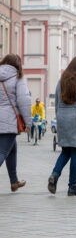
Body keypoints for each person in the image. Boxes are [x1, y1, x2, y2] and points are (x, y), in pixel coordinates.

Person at [48, 56, 76, 196]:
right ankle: (72, 187)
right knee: (75, 152)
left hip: (62, 117)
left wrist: (59, 118)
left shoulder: (61, 81)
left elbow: (56, 103)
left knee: (65, 151)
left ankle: (54, 175)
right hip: (75, 119)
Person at [0, 54, 32, 192]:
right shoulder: (17, 77)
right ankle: (14, 181)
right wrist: (28, 122)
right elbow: (24, 101)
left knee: (12, 149)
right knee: (2, 152)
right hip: (9, 121)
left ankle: (14, 181)